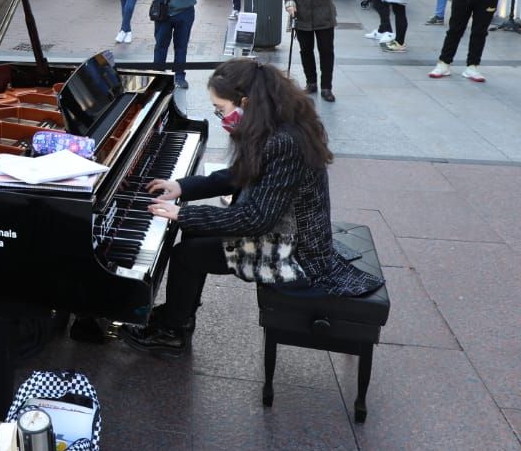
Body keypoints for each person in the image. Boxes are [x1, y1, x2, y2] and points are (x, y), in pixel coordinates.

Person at [122, 60, 384, 356]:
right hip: (285, 237)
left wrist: (184, 213)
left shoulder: (285, 143)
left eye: (220, 109)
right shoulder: (275, 126)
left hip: (296, 258)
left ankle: (172, 333)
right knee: (193, 236)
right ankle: (179, 316)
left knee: (186, 255)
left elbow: (255, 219)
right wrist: (184, 187)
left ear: (245, 102)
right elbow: (239, 175)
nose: (221, 118)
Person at [285, 0, 340, 101]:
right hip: (302, 17)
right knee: (306, 51)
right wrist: (289, 2)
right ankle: (311, 83)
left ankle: (326, 87)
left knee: (326, 52)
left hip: (324, 18)